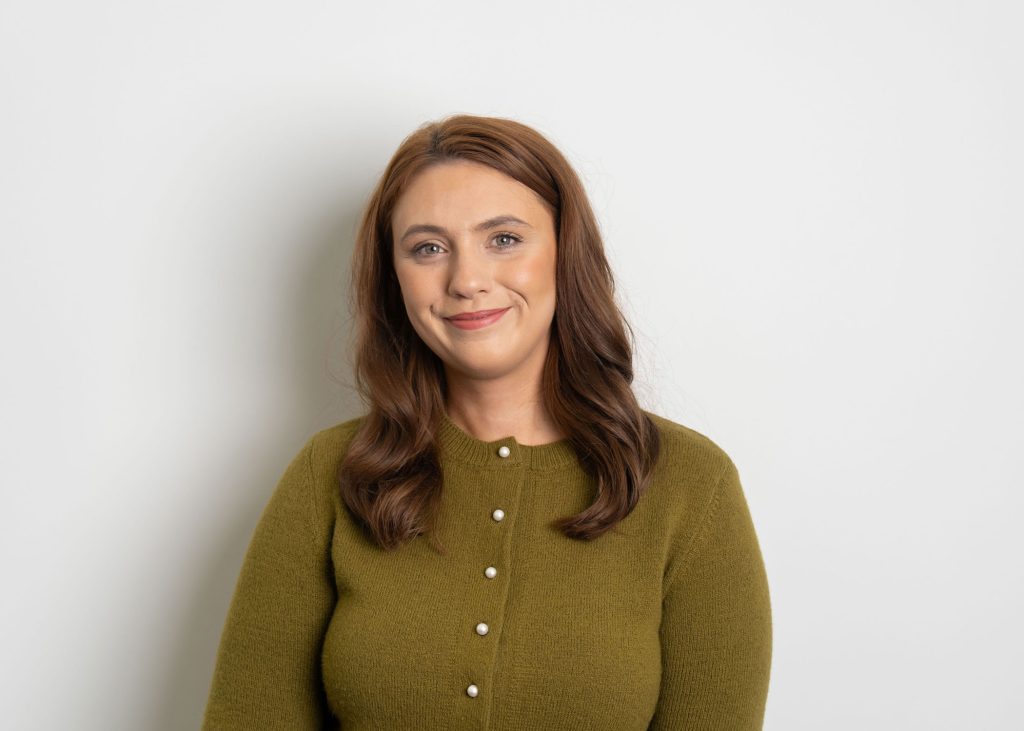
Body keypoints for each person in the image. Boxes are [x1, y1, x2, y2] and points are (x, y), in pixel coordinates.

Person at [201, 114, 772, 729]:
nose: (466, 280)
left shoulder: (691, 484)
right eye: (428, 248)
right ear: (395, 279)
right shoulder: (330, 475)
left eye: (503, 238)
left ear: (565, 253)